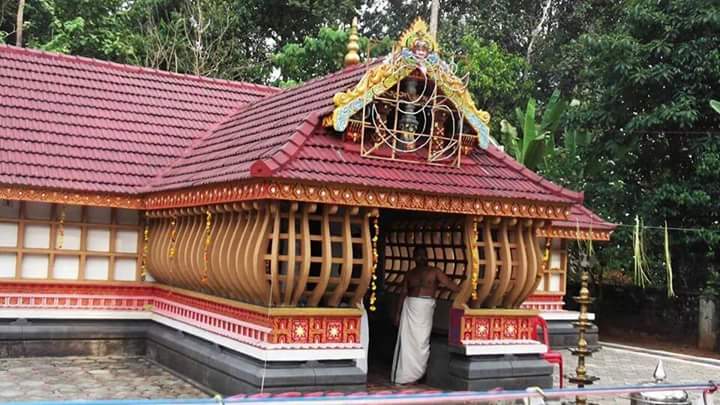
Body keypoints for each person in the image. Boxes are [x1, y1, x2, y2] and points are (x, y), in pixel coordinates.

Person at [390, 246, 460, 385]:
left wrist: (468, 292)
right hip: (410, 307)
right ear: (414, 257)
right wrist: (397, 313)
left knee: (421, 341)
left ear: (427, 256)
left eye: (423, 255)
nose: (421, 258)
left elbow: (449, 284)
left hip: (425, 307)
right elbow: (403, 293)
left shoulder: (435, 272)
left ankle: (418, 373)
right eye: (418, 256)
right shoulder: (409, 274)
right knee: (408, 343)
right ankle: (405, 375)